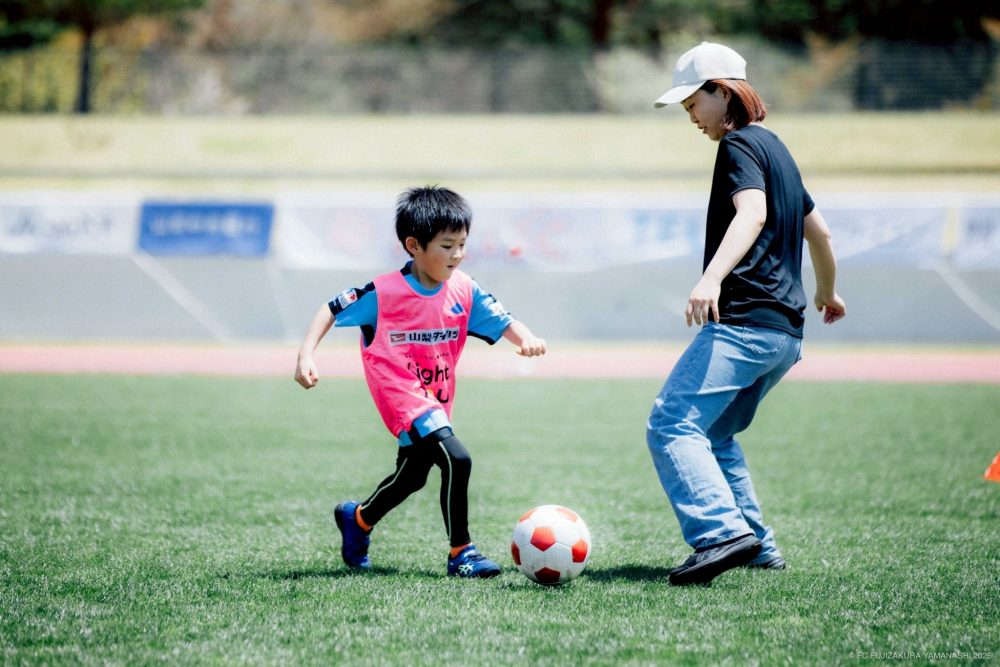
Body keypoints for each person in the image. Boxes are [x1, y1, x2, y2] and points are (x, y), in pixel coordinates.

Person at [647, 42, 846, 586]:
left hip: (744, 323)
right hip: (785, 335)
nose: (691, 116)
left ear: (722, 91)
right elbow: (821, 234)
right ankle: (759, 548)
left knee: (671, 423)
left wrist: (711, 277)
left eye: (693, 103)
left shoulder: (737, 145)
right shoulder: (778, 149)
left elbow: (752, 213)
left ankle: (719, 534)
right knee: (715, 435)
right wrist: (827, 293)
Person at [295, 185, 546, 578]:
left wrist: (526, 338)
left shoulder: (463, 288)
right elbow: (330, 309)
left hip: (436, 398)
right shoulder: (384, 292)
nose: (457, 254)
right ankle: (462, 552)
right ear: (413, 245)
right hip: (402, 398)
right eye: (447, 246)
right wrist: (306, 356)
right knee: (457, 459)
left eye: (462, 244)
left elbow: (502, 319)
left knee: (412, 477)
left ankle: (358, 519)